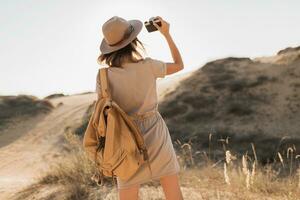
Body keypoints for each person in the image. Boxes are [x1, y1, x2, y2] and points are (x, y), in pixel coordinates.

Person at [96, 16, 184, 200]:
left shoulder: (104, 76)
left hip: (124, 139)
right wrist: (166, 34)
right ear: (134, 41)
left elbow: (103, 113)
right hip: (155, 132)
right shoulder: (149, 66)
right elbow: (179, 65)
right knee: (173, 194)